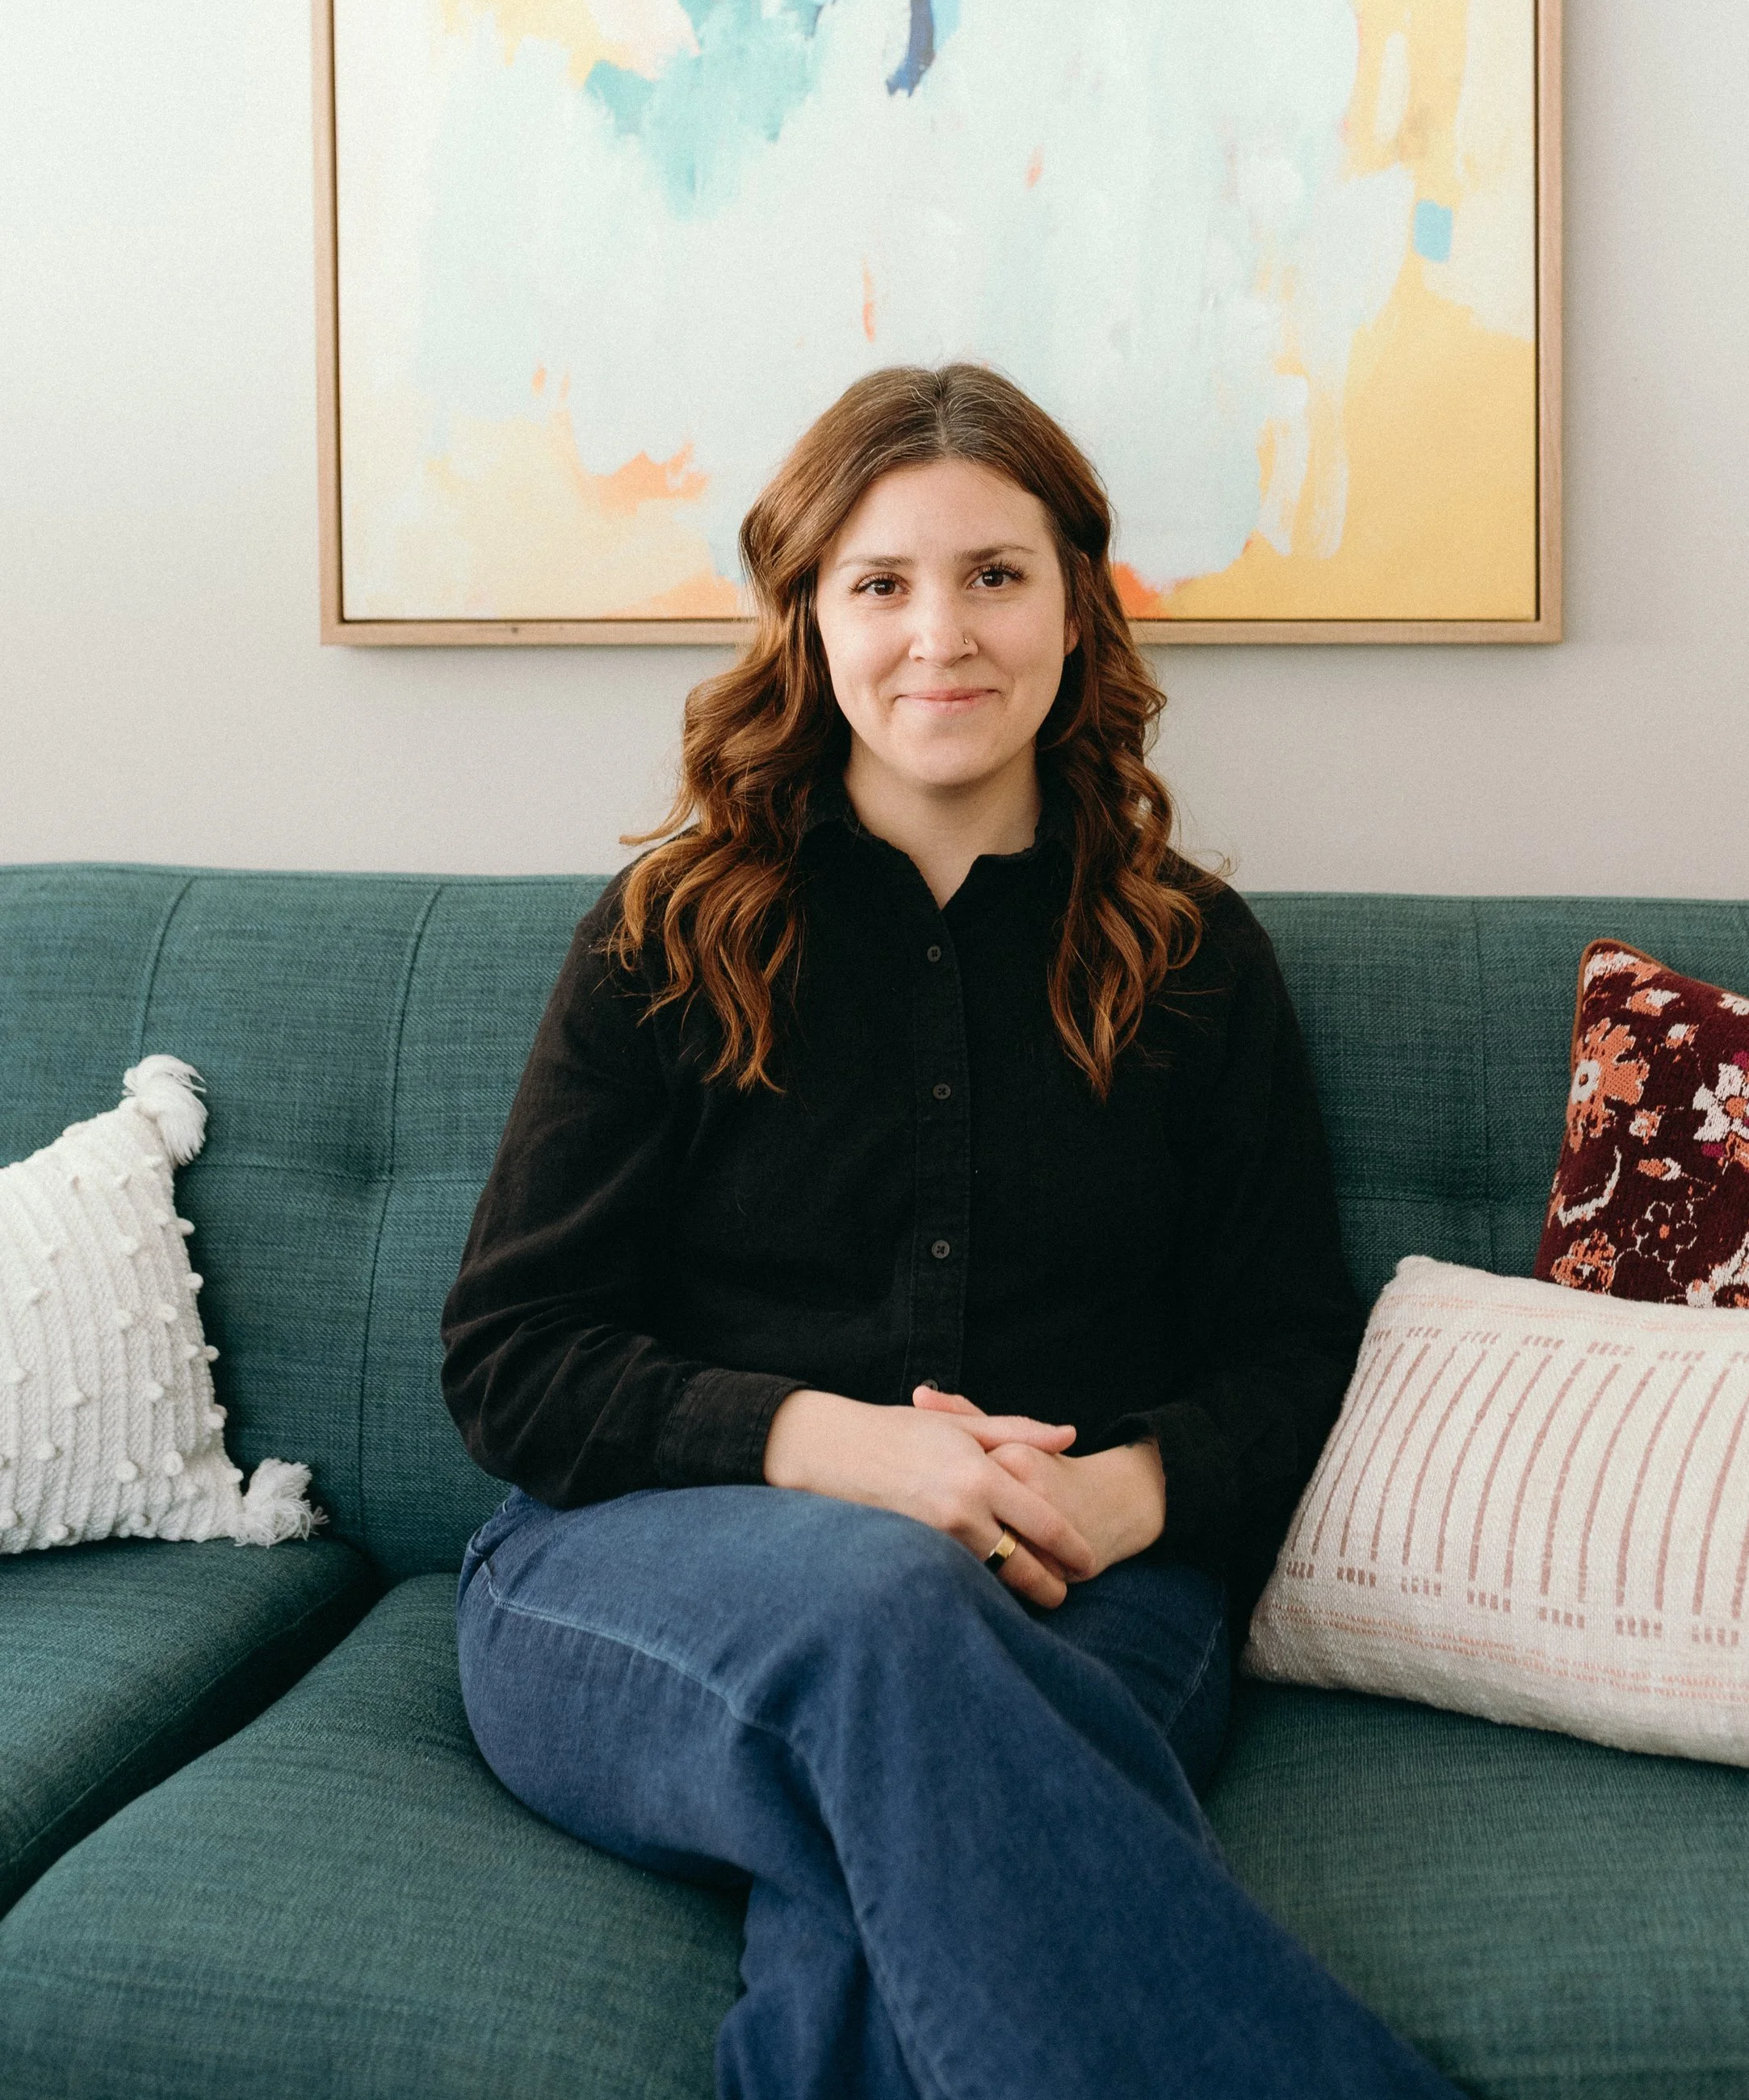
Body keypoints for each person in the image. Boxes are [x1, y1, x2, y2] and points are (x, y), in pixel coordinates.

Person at [441, 362, 1454, 2100]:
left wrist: (1122, 1489)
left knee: (869, 1917)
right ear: (808, 619)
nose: (942, 635)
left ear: (1074, 607)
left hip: (1093, 1589)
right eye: (880, 583)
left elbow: (1294, 1348)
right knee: (885, 1600)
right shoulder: (664, 937)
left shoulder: (1194, 962)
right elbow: (509, 1360)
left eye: (994, 574)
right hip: (637, 1577)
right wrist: (839, 1455)